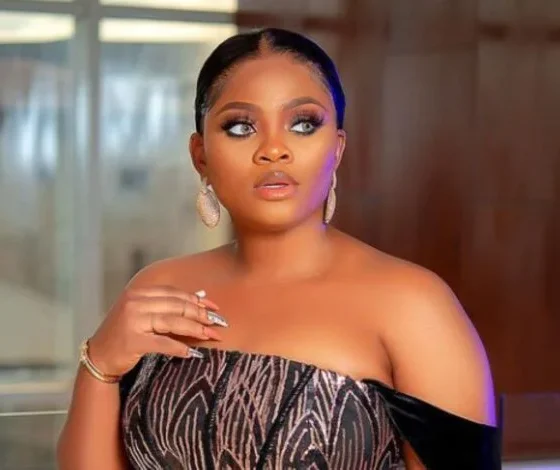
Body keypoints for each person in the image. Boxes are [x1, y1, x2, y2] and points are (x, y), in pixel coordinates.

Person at [57, 28, 501, 470]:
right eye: (241, 126)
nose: (273, 150)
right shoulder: (159, 287)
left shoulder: (413, 306)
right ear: (201, 155)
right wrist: (99, 362)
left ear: (337, 149)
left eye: (303, 124)